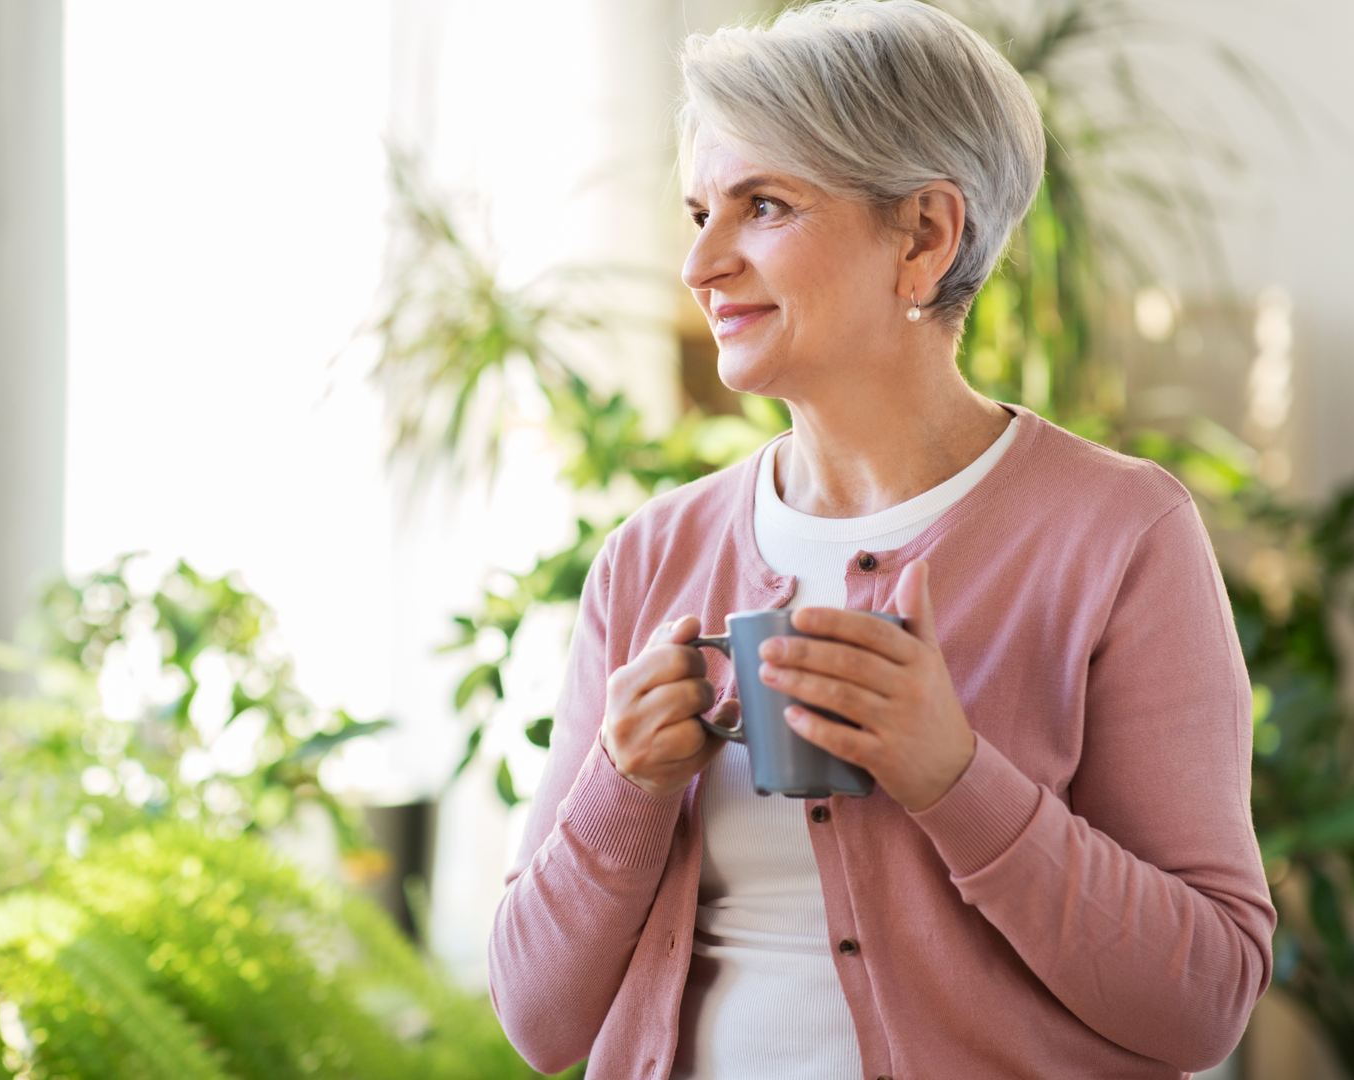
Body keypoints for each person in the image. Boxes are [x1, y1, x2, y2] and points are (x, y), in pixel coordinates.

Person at [487, 2, 1274, 1077]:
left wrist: (955, 778)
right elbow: (538, 1024)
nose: (702, 263)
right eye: (698, 210)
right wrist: (621, 786)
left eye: (762, 205)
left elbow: (1204, 1005)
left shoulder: (1121, 537)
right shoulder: (649, 555)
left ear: (925, 236)